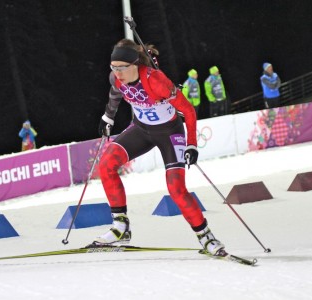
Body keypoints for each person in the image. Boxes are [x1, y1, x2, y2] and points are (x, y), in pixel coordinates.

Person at [94, 38, 225, 256]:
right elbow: (115, 94)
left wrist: (191, 144)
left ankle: (206, 237)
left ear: (135, 64)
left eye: (122, 68)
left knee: (176, 188)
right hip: (141, 130)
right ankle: (120, 227)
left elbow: (189, 111)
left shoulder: (156, 81)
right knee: (106, 164)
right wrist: (108, 117)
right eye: (113, 68)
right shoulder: (116, 79)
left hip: (169, 133)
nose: (117, 73)